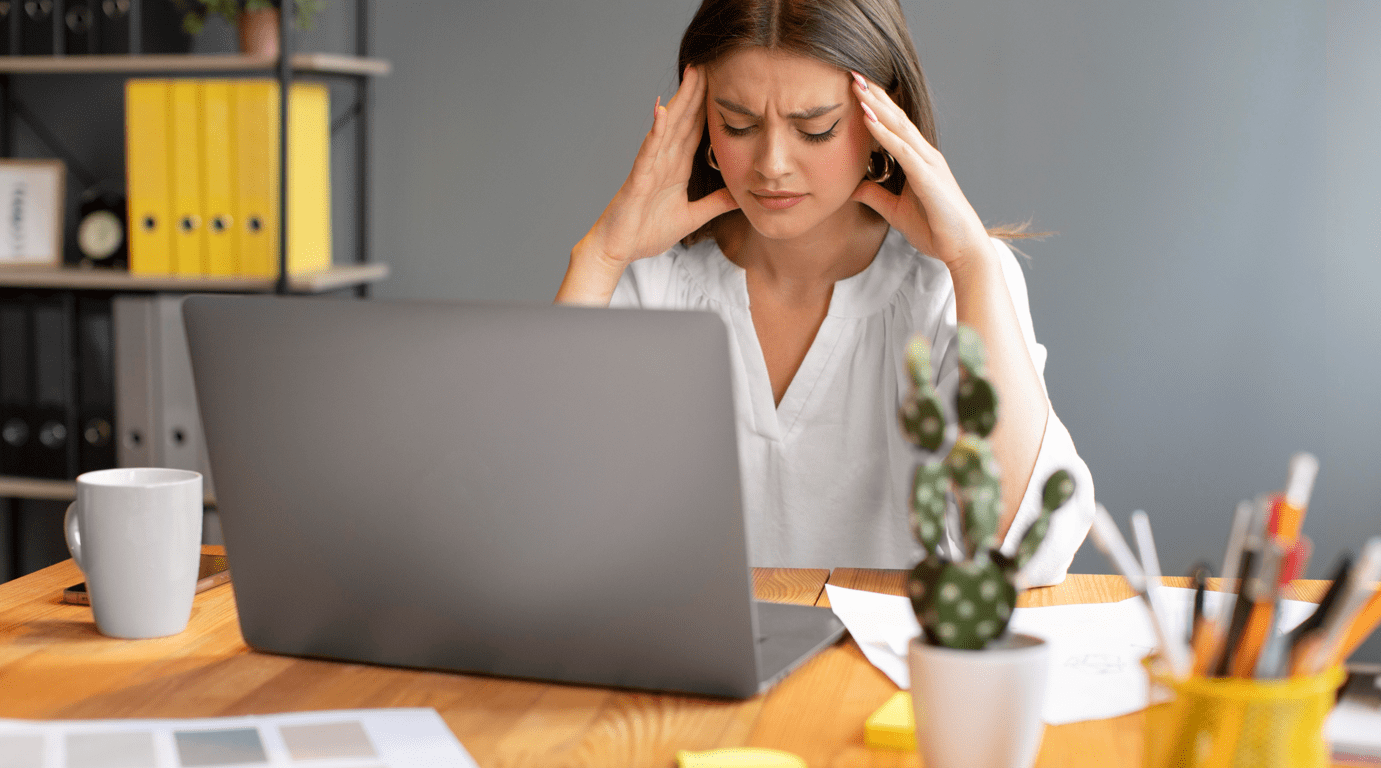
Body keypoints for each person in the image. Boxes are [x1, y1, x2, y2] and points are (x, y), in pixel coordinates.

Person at [556, 0, 1094, 585]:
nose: (772, 165)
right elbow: (537, 520)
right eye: (737, 123)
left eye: (815, 128)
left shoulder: (953, 287)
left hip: (880, 676)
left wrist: (972, 263)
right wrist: (599, 256)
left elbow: (1027, 554)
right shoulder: (650, 283)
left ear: (881, 120)